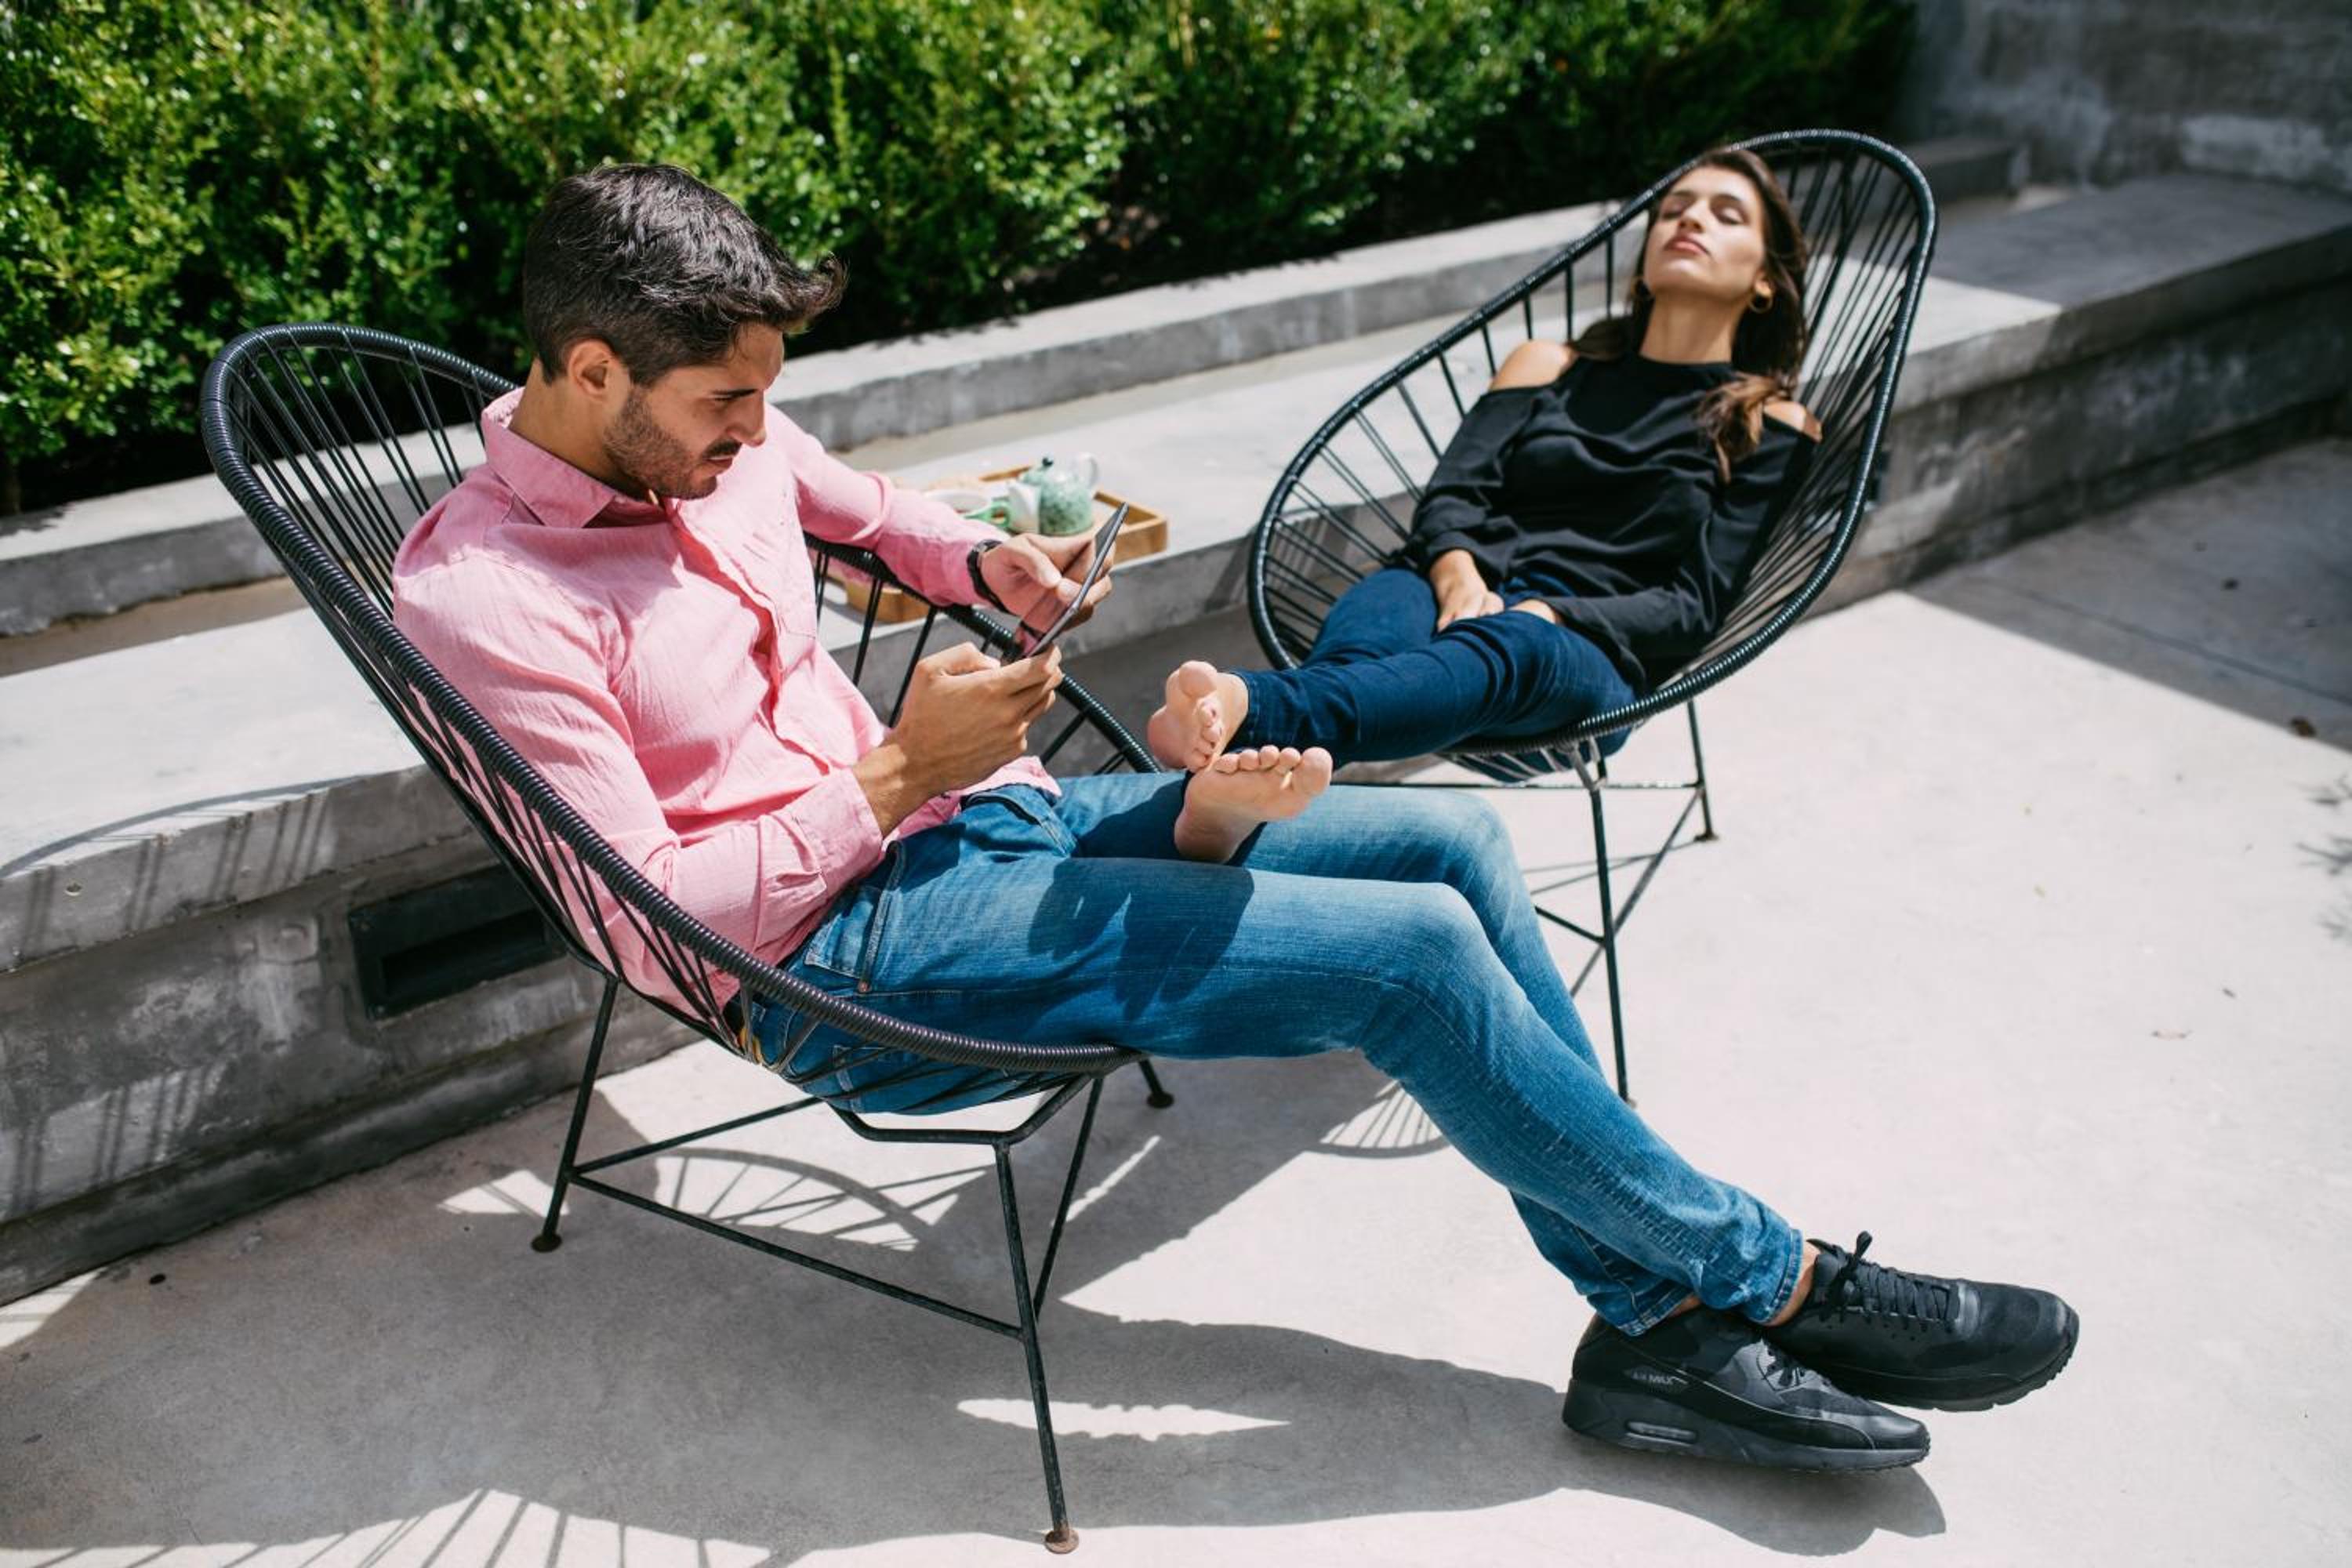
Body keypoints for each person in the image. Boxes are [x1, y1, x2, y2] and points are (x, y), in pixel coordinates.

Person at [394, 162, 2075, 1477]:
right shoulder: (485, 599)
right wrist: (896, 773)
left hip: (987, 832)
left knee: (1456, 848)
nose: (759, 437)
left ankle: (1652, 1325)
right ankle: (1777, 1281)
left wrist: (990, 564)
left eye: (768, 399)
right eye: (725, 409)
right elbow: (650, 922)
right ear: (592, 369)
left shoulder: (720, 421)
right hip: (839, 959)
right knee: (1410, 960)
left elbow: (877, 514)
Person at [1149, 147, 1820, 773]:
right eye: (1674, 209)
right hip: (1452, 580)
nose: (1690, 219)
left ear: (1764, 280)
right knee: (1373, 632)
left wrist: (1554, 614)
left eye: (1726, 215)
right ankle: (1243, 794)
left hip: (1582, 649)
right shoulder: (1548, 365)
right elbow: (1454, 493)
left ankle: (1252, 711)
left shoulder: (1769, 424)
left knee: (1509, 648)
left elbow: (1694, 607)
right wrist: (1455, 574)